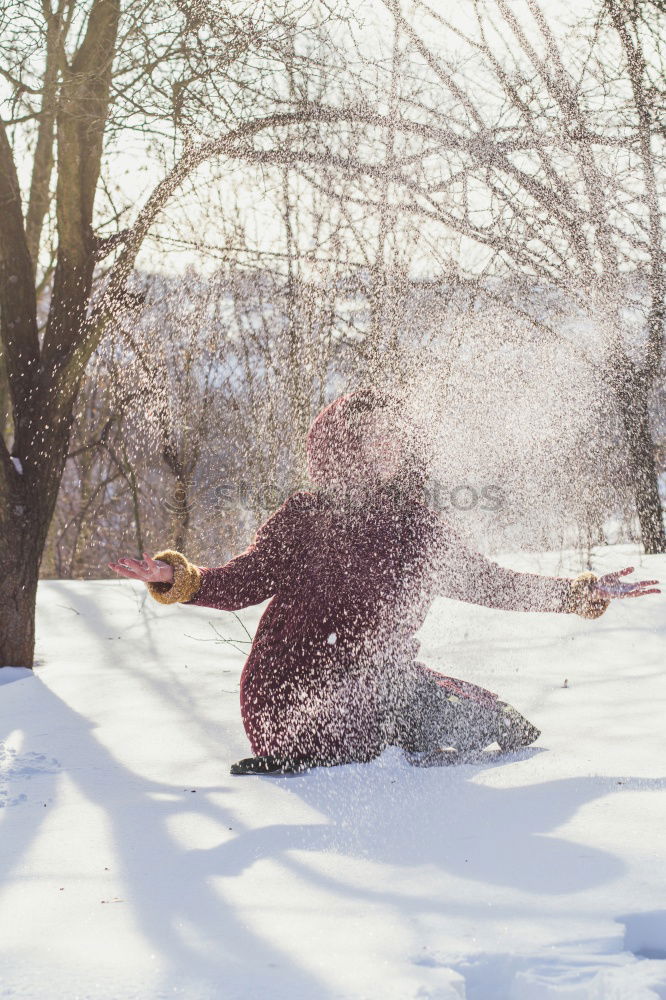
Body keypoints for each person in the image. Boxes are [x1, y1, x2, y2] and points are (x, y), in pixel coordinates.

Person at [109, 389, 660, 774]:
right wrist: (176, 577)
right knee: (377, 724)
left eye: (394, 438)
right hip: (293, 697)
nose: (385, 448)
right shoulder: (307, 517)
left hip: (385, 682)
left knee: (505, 726)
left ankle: (396, 736)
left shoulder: (417, 525)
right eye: (370, 437)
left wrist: (576, 594)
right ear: (342, 445)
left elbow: (488, 582)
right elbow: (242, 583)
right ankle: (363, 749)